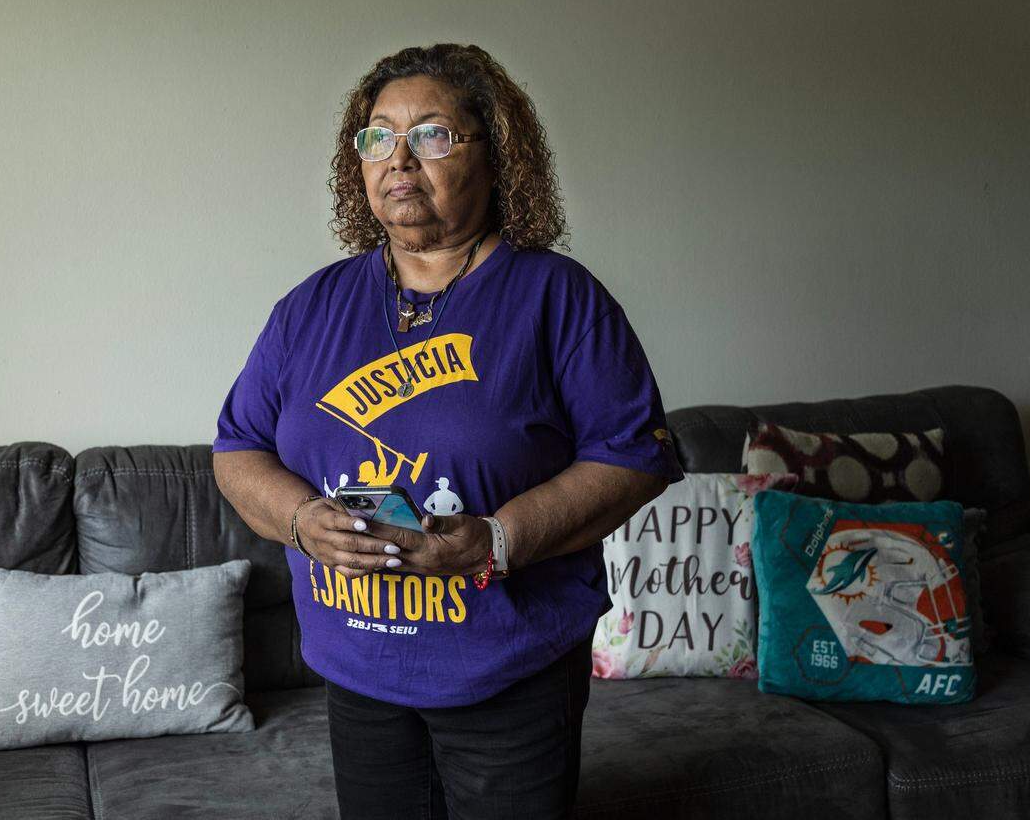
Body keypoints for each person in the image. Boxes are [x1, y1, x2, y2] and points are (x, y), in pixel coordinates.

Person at [212, 42, 684, 820]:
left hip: (507, 673)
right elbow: (237, 449)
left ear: (496, 158)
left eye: (432, 134)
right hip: (359, 671)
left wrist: (495, 541)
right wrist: (301, 522)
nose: (398, 158)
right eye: (377, 137)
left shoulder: (558, 299)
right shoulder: (310, 307)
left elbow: (634, 456)